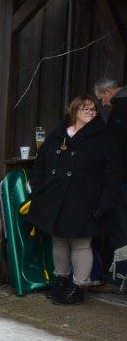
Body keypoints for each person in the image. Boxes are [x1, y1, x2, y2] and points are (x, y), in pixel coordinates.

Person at [27, 95, 121, 304]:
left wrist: (105, 203)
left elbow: (112, 173)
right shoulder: (58, 133)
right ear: (74, 110)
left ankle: (78, 287)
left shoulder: (103, 137)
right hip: (56, 197)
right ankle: (61, 280)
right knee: (59, 241)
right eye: (85, 108)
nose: (90, 112)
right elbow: (41, 162)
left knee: (80, 243)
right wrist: (38, 188)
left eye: (93, 109)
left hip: (85, 201)